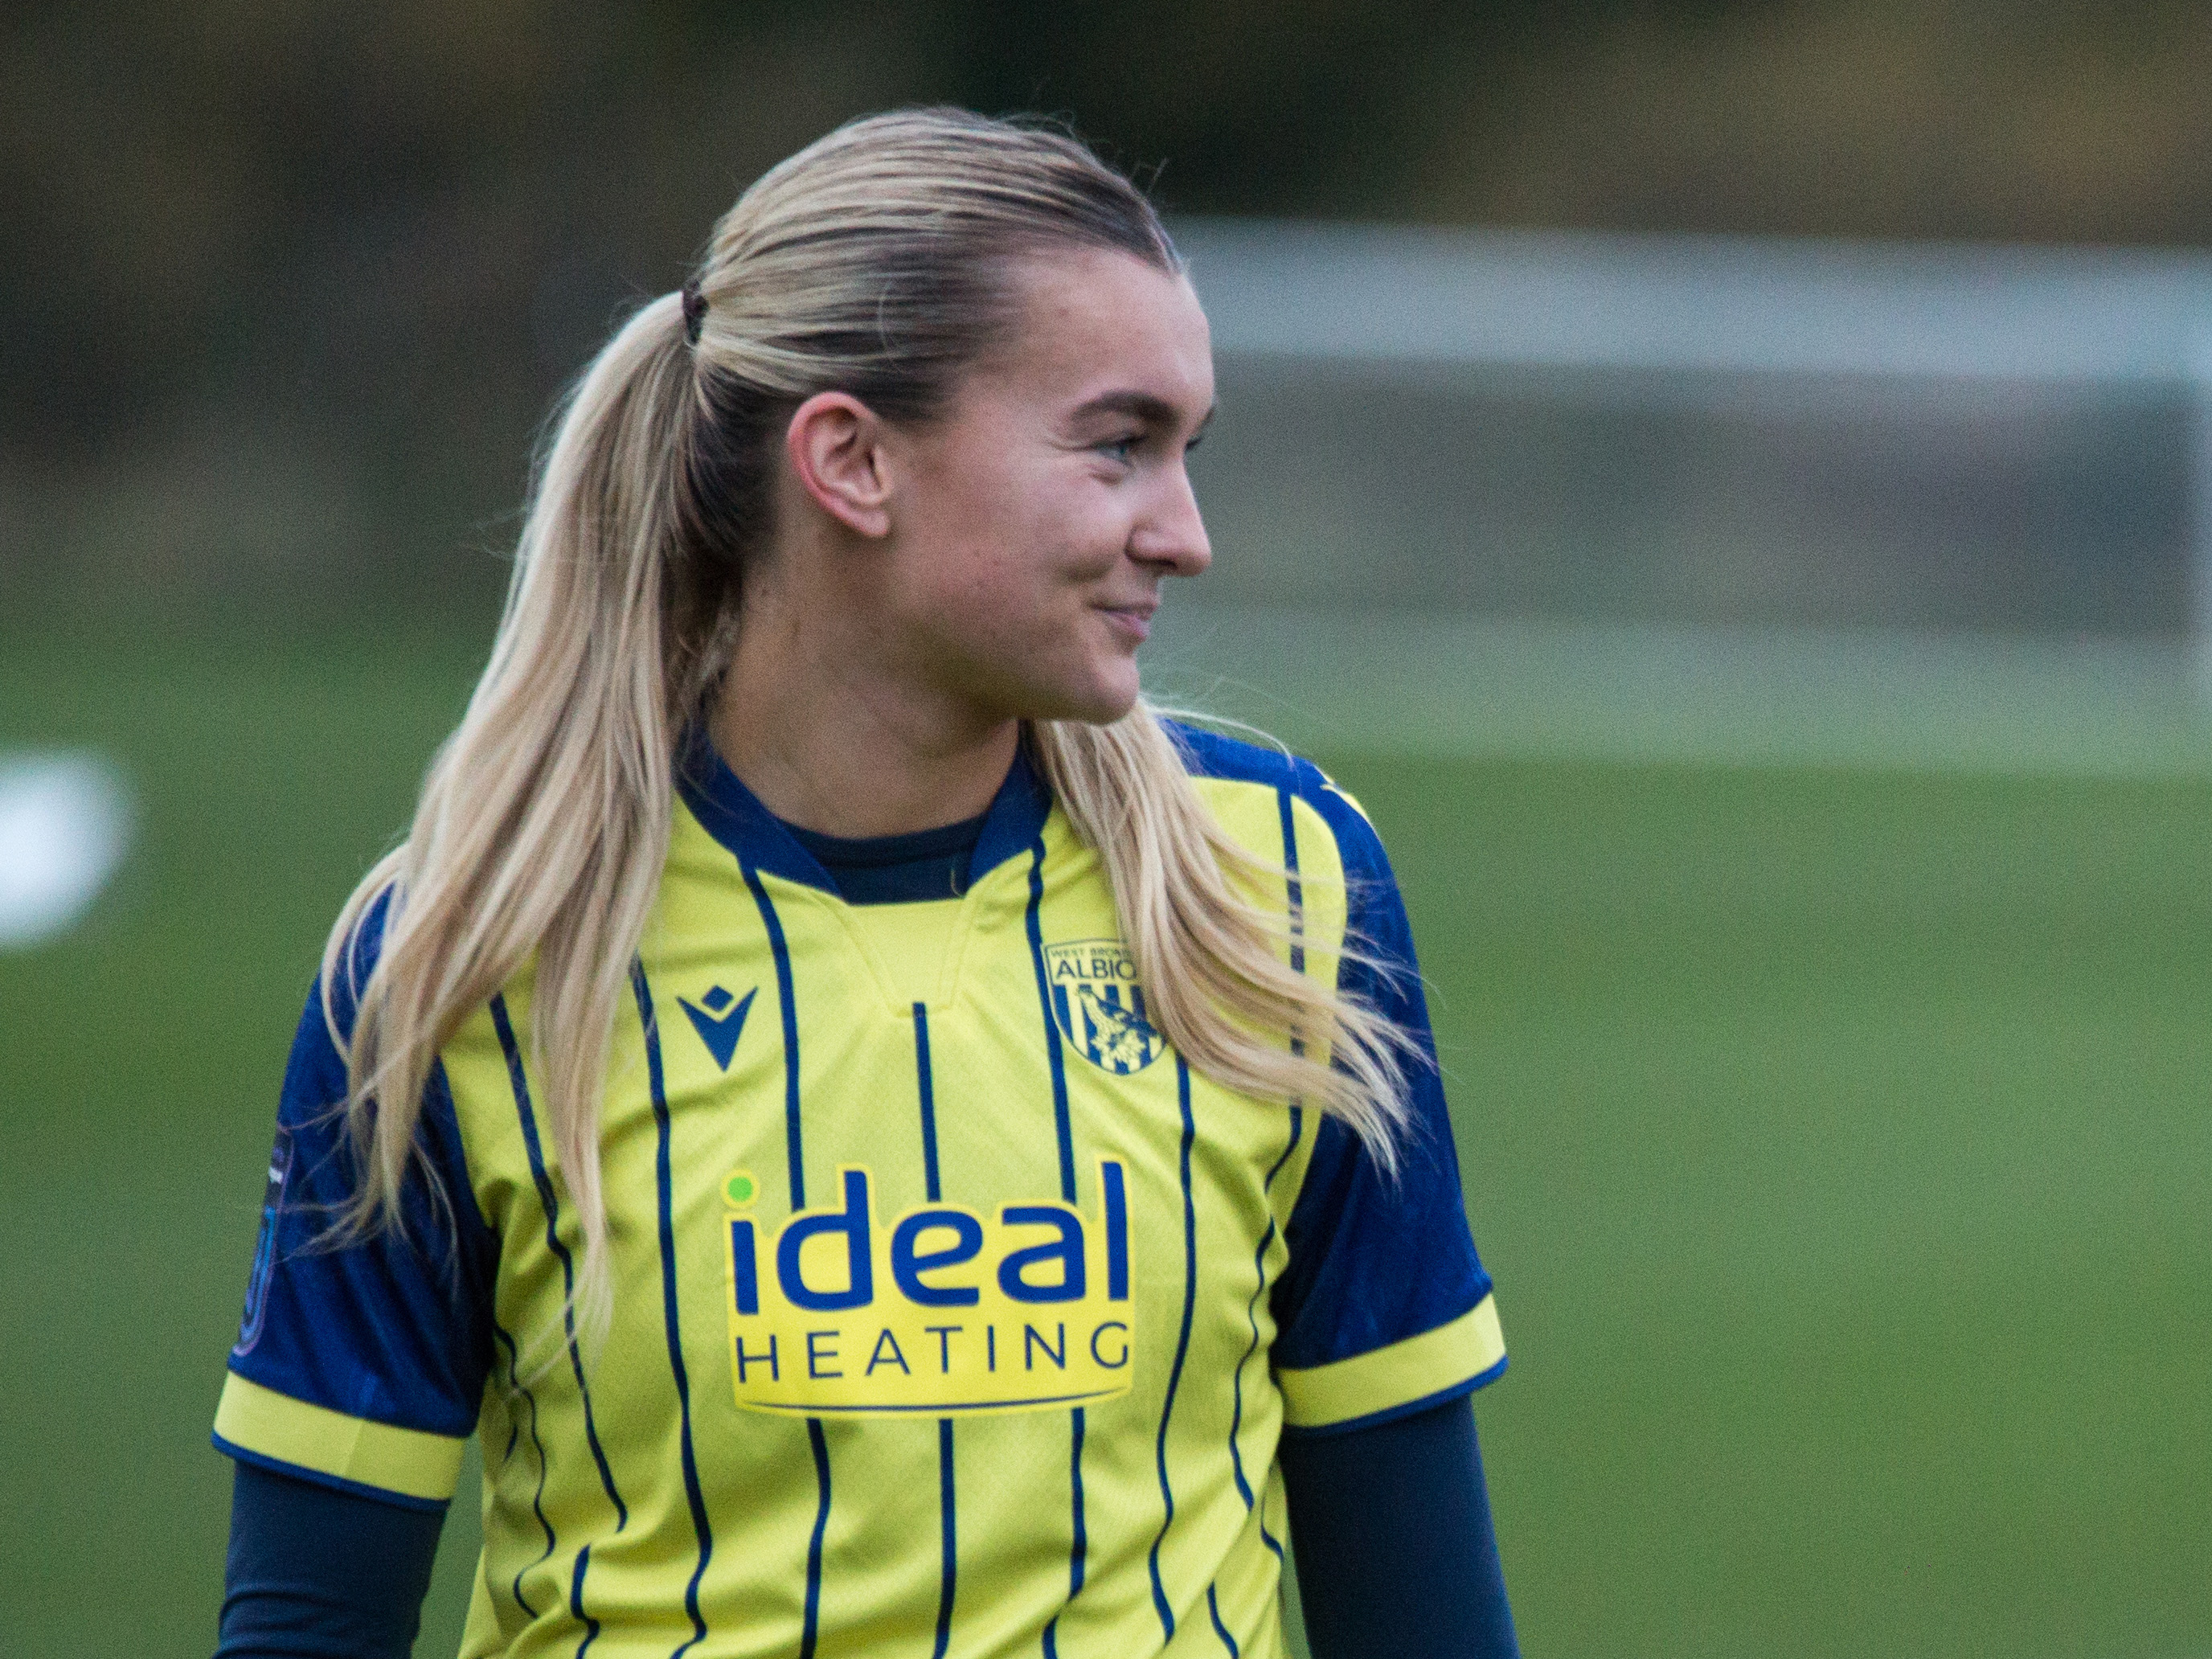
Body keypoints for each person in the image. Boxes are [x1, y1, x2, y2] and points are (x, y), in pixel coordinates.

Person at [211, 108, 1517, 1659]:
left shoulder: (1281, 888)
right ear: (851, 460)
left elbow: (1419, 1604)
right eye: (1118, 446)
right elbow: (306, 1627)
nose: (1187, 535)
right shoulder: (471, 956)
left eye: (1188, 451)